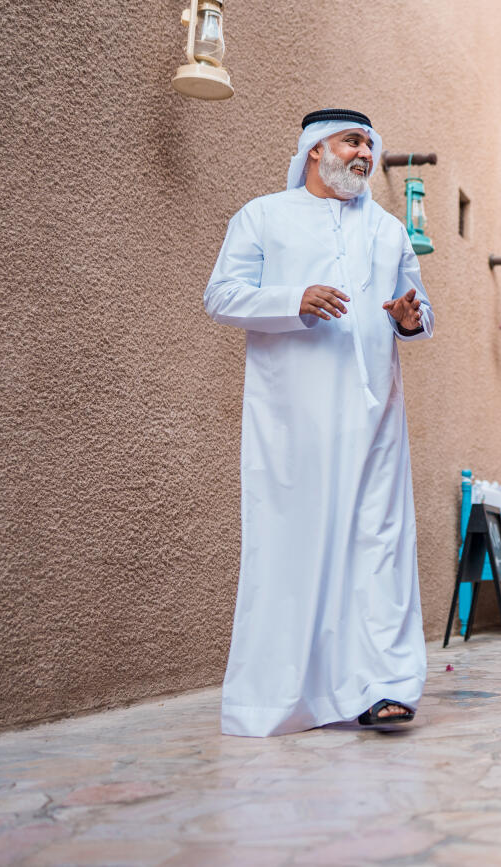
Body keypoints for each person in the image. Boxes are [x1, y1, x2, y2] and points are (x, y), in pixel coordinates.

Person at [204, 108, 434, 737]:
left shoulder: (388, 231)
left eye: (369, 144)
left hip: (376, 414)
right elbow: (220, 296)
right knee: (295, 547)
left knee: (378, 547)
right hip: (293, 419)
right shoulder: (262, 217)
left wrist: (409, 319)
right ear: (314, 150)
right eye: (351, 142)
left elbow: (417, 305)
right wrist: (291, 300)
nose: (364, 154)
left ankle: (383, 688)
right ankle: (283, 696)